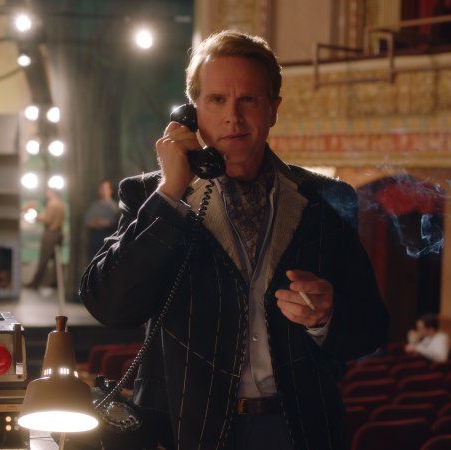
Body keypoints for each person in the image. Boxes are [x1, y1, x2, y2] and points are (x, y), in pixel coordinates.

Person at [80, 30, 389, 450]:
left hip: (297, 429)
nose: (233, 117)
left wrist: (325, 318)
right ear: (191, 112)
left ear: (273, 109)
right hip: (186, 431)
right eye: (217, 100)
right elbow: (108, 304)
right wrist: (171, 192)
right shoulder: (150, 196)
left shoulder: (328, 200)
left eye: (249, 99)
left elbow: (371, 328)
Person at [24, 188, 65, 290]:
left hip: (50, 234)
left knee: (43, 259)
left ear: (51, 193)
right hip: (59, 233)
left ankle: (35, 283)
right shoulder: (61, 204)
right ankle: (55, 283)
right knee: (56, 261)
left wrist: (35, 216)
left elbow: (47, 220)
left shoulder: (52, 204)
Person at [83, 180, 119, 263]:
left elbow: (113, 223)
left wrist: (101, 222)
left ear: (110, 190)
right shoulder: (94, 206)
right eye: (101, 188)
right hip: (95, 237)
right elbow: (88, 222)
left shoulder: (115, 207)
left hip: (109, 237)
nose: (103, 191)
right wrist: (101, 222)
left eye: (105, 188)